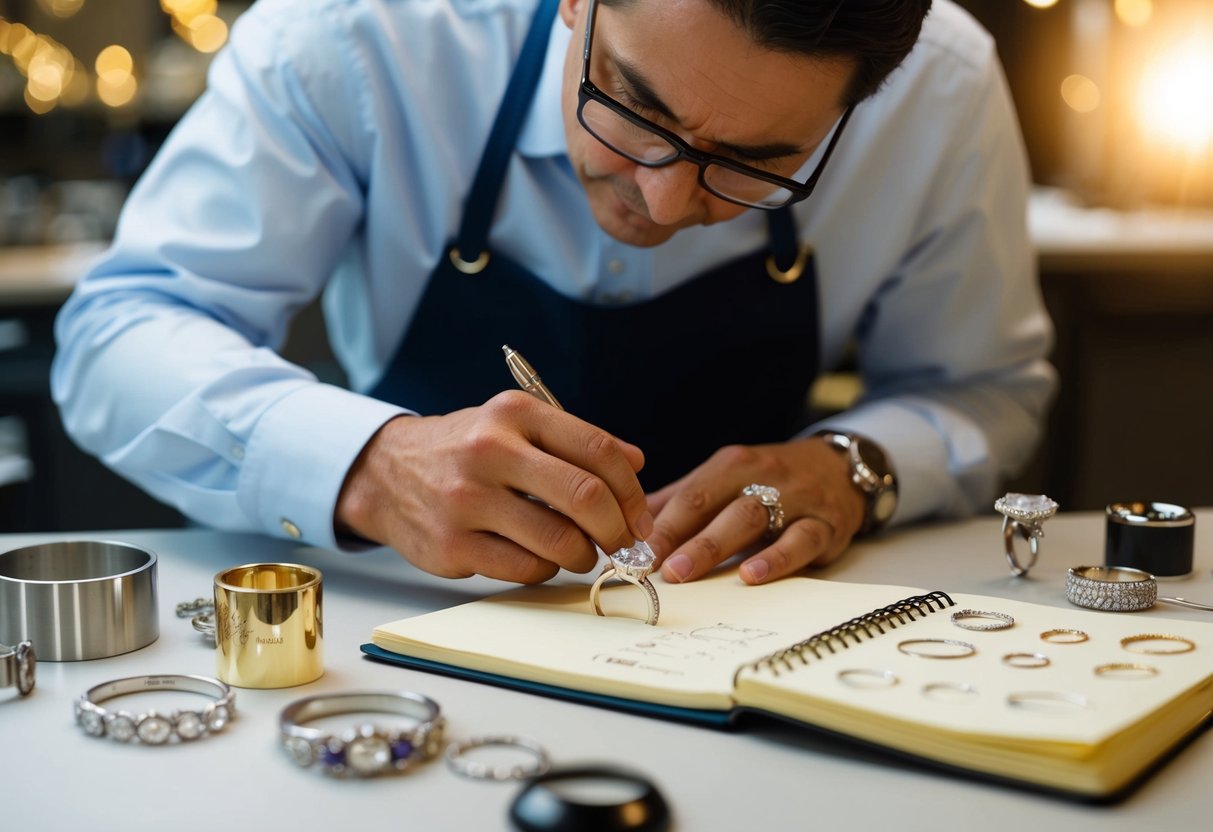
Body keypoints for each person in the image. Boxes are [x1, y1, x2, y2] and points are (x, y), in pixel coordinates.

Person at [52, 0, 1055, 588]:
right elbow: (118, 332)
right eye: (633, 101)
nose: (663, 198)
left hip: (754, 632)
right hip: (397, 617)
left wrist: (859, 467)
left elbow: (983, 387)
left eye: (756, 161)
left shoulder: (944, 87)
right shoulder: (357, 34)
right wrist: (369, 465)